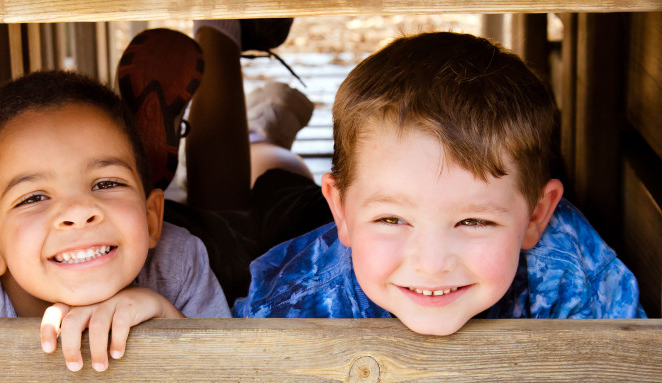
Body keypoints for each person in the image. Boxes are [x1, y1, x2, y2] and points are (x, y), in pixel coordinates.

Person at [233, 31, 646, 332]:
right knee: (272, 172)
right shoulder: (292, 298)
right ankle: (266, 132)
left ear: (537, 214)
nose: (432, 264)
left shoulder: (574, 273)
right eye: (392, 219)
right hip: (293, 217)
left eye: (474, 222)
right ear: (340, 208)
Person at [0, 69, 231, 371]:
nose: (79, 212)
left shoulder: (178, 264)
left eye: (106, 183)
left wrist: (168, 318)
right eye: (33, 198)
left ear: (150, 220)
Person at [117, 22, 333, 305]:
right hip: (310, 243)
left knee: (267, 204)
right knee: (275, 198)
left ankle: (260, 128)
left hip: (232, 249)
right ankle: (261, 129)